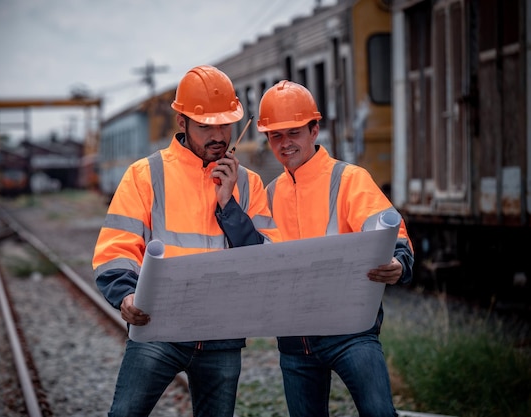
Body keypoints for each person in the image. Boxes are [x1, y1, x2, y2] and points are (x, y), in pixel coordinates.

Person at [92, 64, 281, 417]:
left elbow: (265, 262)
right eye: (206, 126)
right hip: (158, 327)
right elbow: (117, 245)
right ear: (182, 123)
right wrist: (125, 293)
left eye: (225, 124)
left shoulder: (248, 184)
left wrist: (229, 204)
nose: (218, 135)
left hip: (223, 333)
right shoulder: (145, 174)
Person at [257, 80, 414, 417]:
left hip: (351, 333)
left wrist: (399, 262)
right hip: (295, 341)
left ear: (315, 129)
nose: (285, 144)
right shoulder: (269, 195)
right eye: (275, 135)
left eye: (293, 132)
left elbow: (389, 230)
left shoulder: (349, 179)